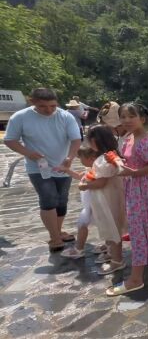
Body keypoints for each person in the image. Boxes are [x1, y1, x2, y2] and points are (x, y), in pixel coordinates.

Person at [106, 103, 148, 296]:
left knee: (138, 230)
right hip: (136, 187)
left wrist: (134, 172)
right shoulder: (129, 138)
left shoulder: (147, 141)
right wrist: (120, 163)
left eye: (131, 116)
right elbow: (131, 162)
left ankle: (136, 279)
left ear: (142, 119)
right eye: (123, 117)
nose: (127, 120)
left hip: (144, 189)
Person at [4, 88, 81, 251]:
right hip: (37, 168)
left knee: (62, 201)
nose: (49, 110)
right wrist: (28, 153)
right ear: (32, 102)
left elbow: (75, 139)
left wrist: (69, 158)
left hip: (62, 166)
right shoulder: (20, 117)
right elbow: (10, 140)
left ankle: (58, 231)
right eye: (43, 106)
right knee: (48, 199)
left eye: (52, 106)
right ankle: (54, 238)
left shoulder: (65, 116)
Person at [84, 125, 127, 275]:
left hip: (107, 199)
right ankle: (110, 252)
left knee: (112, 228)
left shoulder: (105, 160)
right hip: (112, 197)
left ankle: (117, 261)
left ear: (95, 141)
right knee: (112, 227)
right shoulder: (111, 155)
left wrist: (84, 185)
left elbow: (101, 182)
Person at [57, 147, 99, 259]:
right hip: (90, 204)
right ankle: (107, 246)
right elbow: (79, 176)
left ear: (91, 158)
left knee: (83, 224)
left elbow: (97, 183)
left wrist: (84, 185)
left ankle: (79, 249)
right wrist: (66, 170)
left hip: (95, 203)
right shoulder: (90, 168)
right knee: (85, 224)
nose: (80, 161)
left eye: (81, 158)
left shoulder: (98, 170)